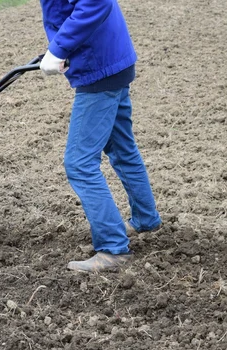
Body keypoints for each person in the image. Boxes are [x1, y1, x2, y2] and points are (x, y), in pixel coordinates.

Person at [39, 0, 161, 272]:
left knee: (79, 163)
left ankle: (112, 248)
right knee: (121, 148)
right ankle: (145, 218)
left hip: (99, 66)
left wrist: (58, 48)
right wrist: (57, 48)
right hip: (111, 59)